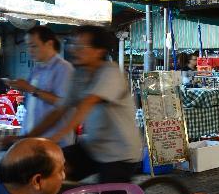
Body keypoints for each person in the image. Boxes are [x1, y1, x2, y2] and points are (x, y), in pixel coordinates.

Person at [22, 26, 142, 184]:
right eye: (72, 45)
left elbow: (87, 103)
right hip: (93, 147)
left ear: (99, 51)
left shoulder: (110, 73)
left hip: (120, 154)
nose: (74, 50)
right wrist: (27, 137)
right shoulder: (79, 75)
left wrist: (54, 138)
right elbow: (60, 110)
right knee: (48, 175)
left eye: (81, 47)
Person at [5, 25, 74, 147]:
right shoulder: (37, 68)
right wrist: (22, 88)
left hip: (54, 142)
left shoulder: (64, 68)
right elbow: (33, 104)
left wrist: (29, 88)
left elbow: (62, 104)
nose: (30, 50)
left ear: (49, 44)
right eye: (28, 46)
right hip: (32, 139)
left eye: (34, 46)